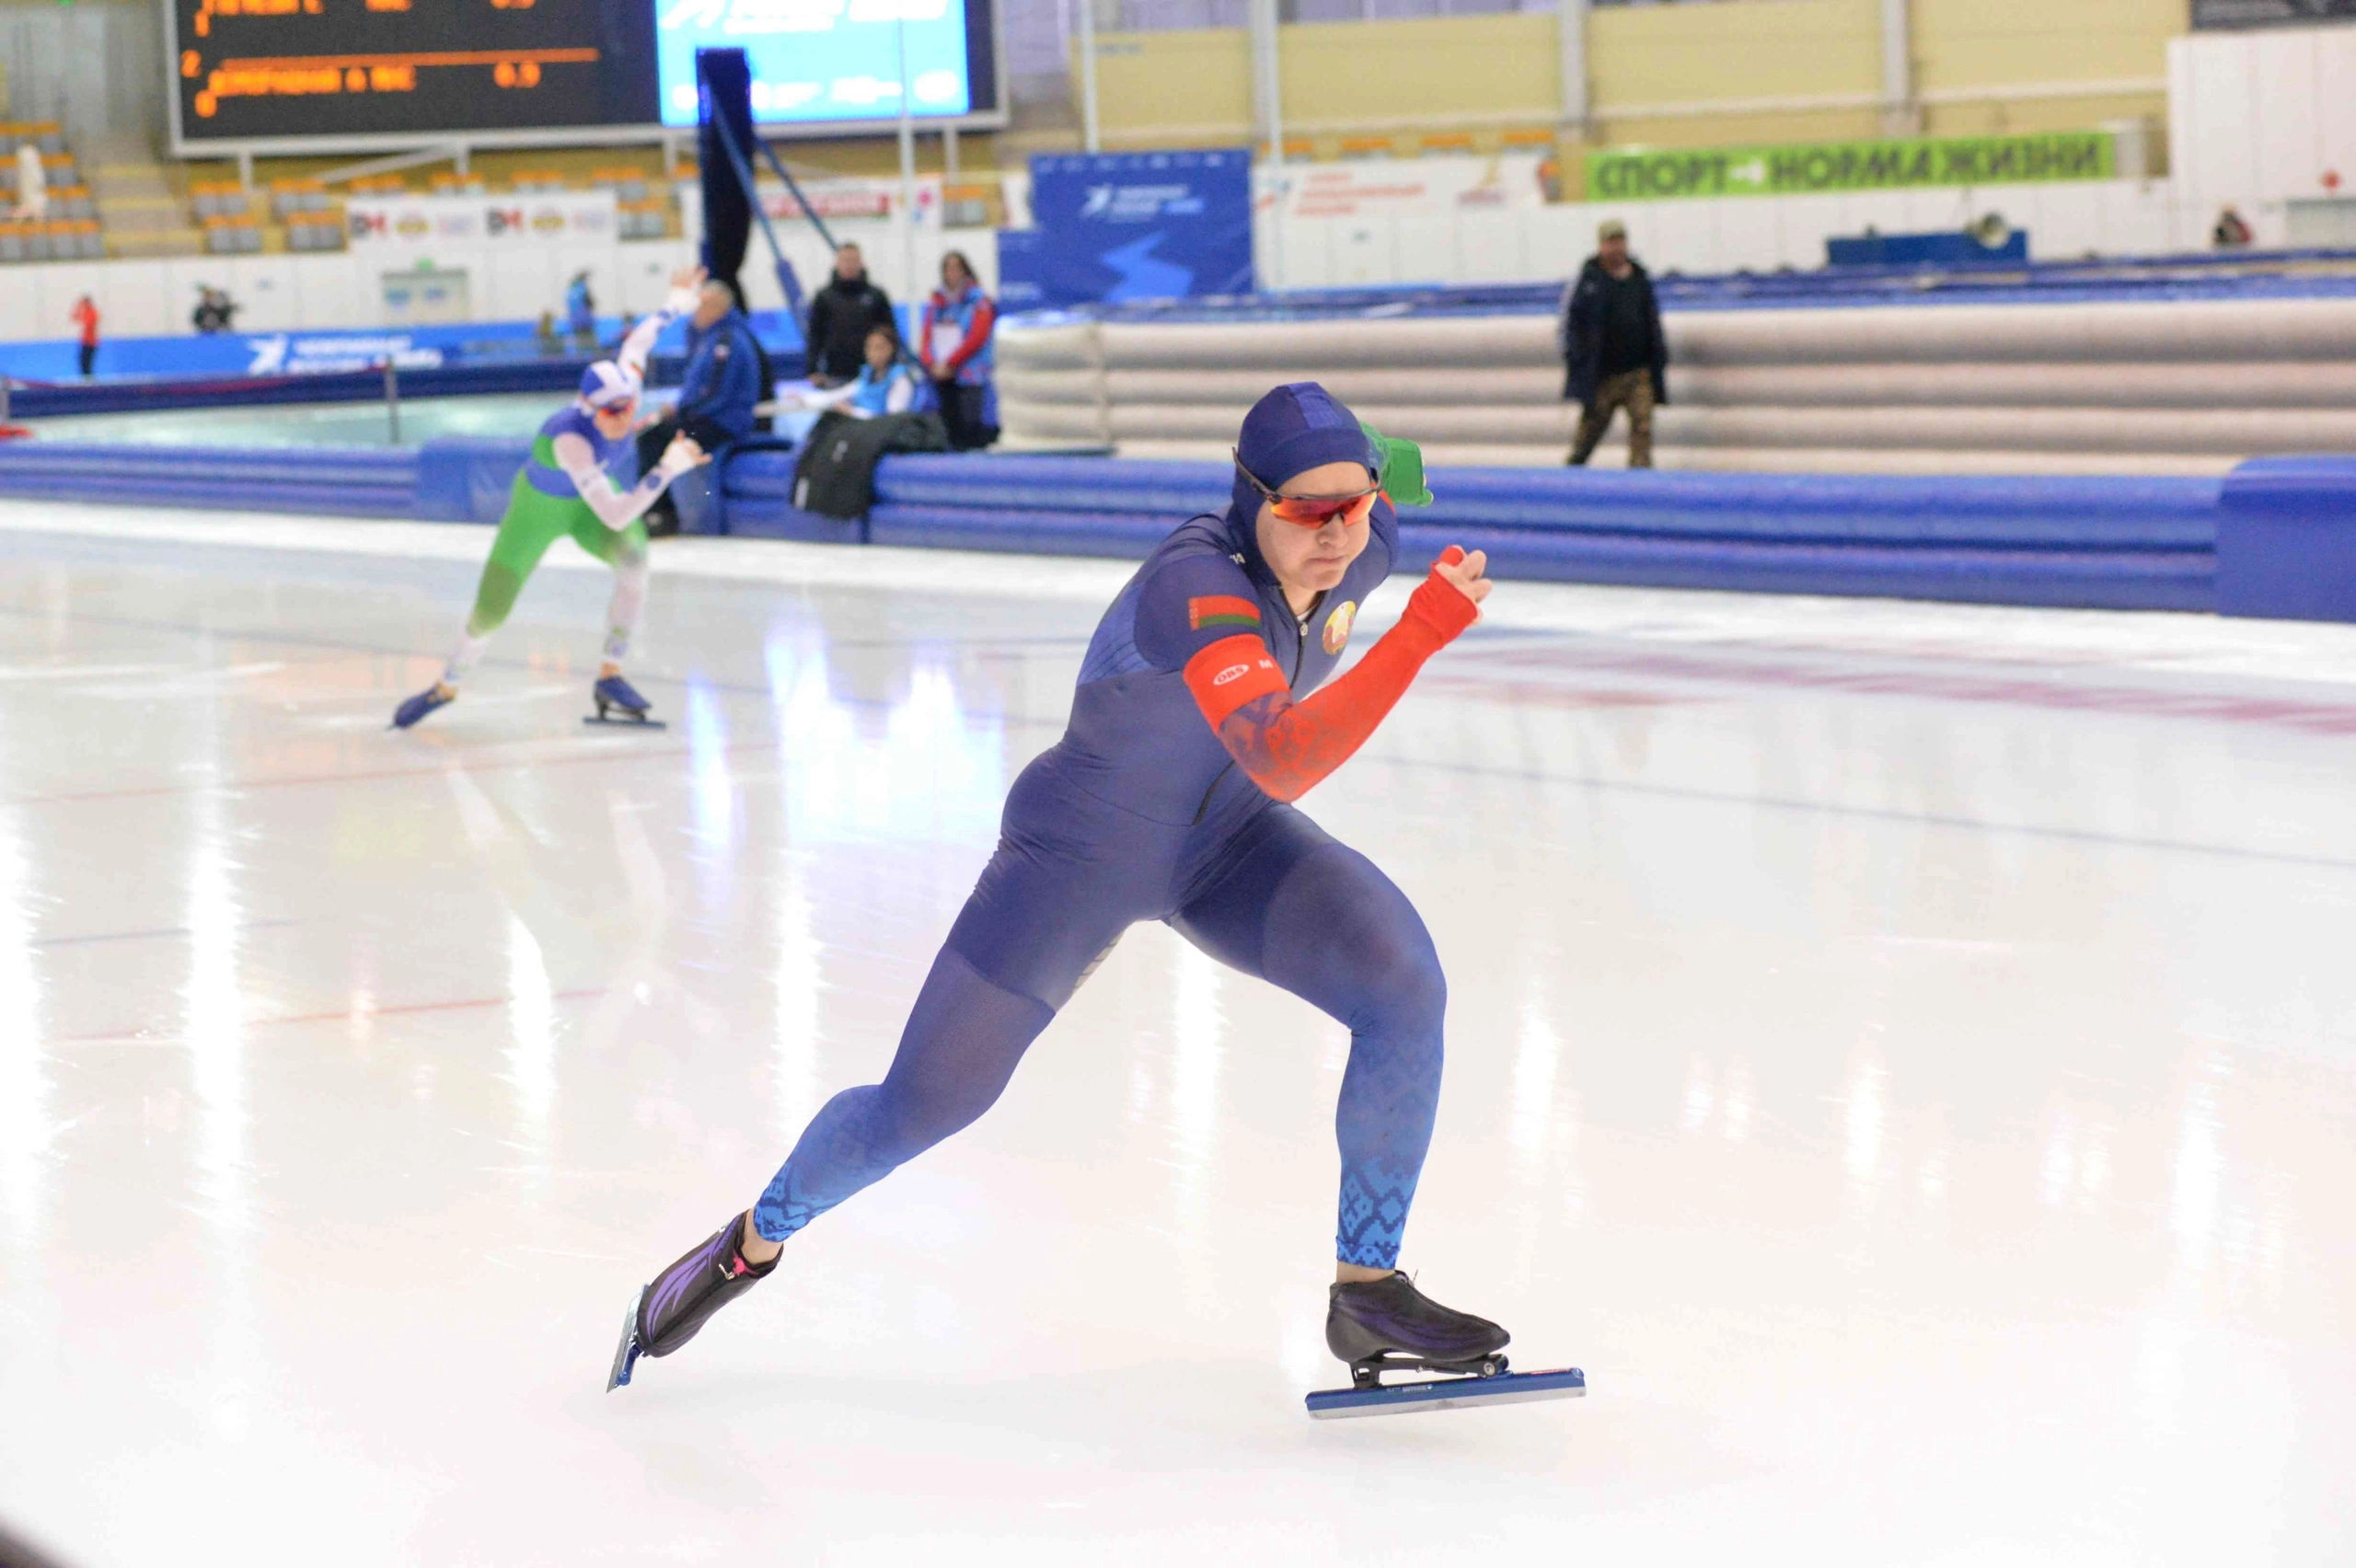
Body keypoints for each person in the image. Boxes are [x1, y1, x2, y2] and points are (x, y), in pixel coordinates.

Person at [610, 382, 1517, 1397]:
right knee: (926, 1104)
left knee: (1403, 984)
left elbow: (1385, 461)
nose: (1337, 533)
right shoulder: (1196, 585)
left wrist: (1390, 470)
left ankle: (1369, 1291)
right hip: (1076, 856)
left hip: (1228, 847)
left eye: (1353, 505)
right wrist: (1420, 631)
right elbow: (1282, 753)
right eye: (1307, 510)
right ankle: (748, 1243)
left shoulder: (1364, 530)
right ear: (1249, 495)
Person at [389, 266, 711, 731]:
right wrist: (667, 468)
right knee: (491, 609)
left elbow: (638, 344)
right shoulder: (570, 440)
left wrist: (673, 305)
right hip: (537, 511)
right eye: (613, 413)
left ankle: (611, 673)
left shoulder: (626, 385)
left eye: (629, 407)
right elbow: (615, 513)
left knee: (635, 563)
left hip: (584, 507)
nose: (625, 418)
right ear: (589, 409)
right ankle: (447, 685)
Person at [634, 276, 766, 536]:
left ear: (719, 308)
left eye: (702, 305)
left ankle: (661, 514)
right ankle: (658, 511)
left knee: (655, 439)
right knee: (654, 433)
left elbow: (716, 393)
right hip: (710, 418)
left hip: (722, 423)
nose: (696, 311)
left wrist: (682, 410)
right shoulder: (712, 338)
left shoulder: (727, 341)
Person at [1559, 219, 1669, 468]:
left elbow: (1652, 320)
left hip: (1638, 372)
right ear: (1601, 246)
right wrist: (1578, 360)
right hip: (1602, 376)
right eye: (1610, 243)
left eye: (1620, 242)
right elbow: (1569, 325)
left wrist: (1658, 358)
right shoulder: (1588, 280)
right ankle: (1573, 471)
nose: (1616, 248)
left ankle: (1640, 476)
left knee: (1642, 427)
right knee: (1589, 433)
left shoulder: (1639, 278)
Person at [918, 249, 999, 451]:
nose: (952, 273)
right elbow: (926, 336)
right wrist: (932, 363)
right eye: (948, 269)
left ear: (965, 270)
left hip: (970, 373)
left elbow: (977, 337)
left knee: (969, 425)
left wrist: (951, 362)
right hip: (942, 373)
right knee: (949, 427)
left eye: (957, 268)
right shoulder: (936, 302)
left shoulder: (979, 301)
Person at [803, 242, 895, 387]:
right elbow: (815, 335)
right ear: (837, 263)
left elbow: (890, 333)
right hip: (835, 373)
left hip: (872, 373)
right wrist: (812, 369)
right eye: (845, 260)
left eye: (853, 260)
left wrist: (891, 364)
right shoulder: (824, 297)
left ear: (861, 263)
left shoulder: (876, 296)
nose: (849, 265)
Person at [792, 322, 929, 418]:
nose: (873, 353)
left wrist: (853, 412)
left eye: (879, 347)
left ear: (892, 349)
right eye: (869, 347)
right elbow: (836, 395)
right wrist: (803, 398)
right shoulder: (866, 375)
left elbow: (893, 419)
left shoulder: (900, 378)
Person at [565, 271, 597, 352]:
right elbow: (590, 303)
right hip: (585, 320)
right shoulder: (583, 290)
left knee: (580, 343)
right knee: (591, 343)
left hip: (575, 321)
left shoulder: (570, 291)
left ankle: (582, 355)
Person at [68, 295, 98, 379]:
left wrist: (82, 314)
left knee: (87, 364)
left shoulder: (92, 312)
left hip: (91, 342)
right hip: (85, 342)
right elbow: (73, 317)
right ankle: (85, 379)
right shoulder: (84, 313)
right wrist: (78, 307)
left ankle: (89, 380)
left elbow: (88, 324)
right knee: (82, 363)